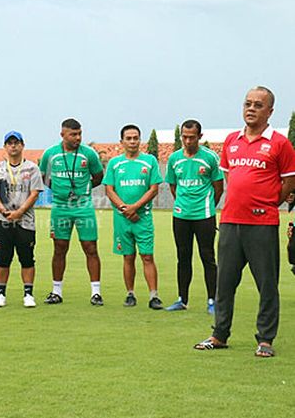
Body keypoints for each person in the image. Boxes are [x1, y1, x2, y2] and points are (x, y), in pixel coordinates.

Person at [194, 86, 295, 358]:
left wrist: (269, 203)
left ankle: (265, 340)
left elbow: (288, 181)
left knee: (267, 284)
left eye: (258, 105)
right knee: (224, 283)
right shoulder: (231, 141)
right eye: (247, 103)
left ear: (270, 111)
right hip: (230, 222)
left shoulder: (279, 143)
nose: (251, 108)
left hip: (262, 225)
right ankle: (219, 335)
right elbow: (230, 177)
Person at [39, 118, 105, 306]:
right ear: (63, 135)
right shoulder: (51, 154)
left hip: (83, 205)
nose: (77, 138)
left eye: (79, 134)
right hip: (60, 206)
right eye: (73, 134)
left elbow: (98, 176)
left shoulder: (88, 154)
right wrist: (57, 189)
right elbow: (43, 176)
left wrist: (84, 189)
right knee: (59, 247)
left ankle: (96, 292)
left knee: (90, 247)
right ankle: (56, 291)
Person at [164, 120, 223, 313]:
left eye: (191, 137)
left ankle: (212, 301)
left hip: (204, 215)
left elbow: (218, 188)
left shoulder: (210, 158)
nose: (188, 141)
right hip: (181, 215)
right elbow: (173, 187)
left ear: (200, 137)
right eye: (184, 137)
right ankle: (182, 299)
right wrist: (183, 203)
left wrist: (206, 208)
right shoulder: (174, 159)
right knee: (183, 257)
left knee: (207, 256)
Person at [103, 125, 163, 309]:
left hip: (142, 217)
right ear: (121, 142)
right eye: (128, 138)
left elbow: (154, 189)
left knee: (147, 256)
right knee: (128, 257)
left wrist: (135, 208)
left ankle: (154, 296)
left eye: (135, 138)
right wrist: (124, 208)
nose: (132, 141)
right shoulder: (114, 163)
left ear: (140, 140)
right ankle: (130, 294)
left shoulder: (149, 161)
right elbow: (109, 189)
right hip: (122, 219)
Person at [0, 131, 44, 308]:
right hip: (2, 219)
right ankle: (0, 294)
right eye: (10, 143)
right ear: (5, 146)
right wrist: (4, 211)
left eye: (16, 142)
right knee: (2, 259)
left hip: (25, 221)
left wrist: (19, 212)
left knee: (27, 258)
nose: (13, 146)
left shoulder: (32, 168)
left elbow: (34, 193)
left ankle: (28, 294)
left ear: (22, 145)